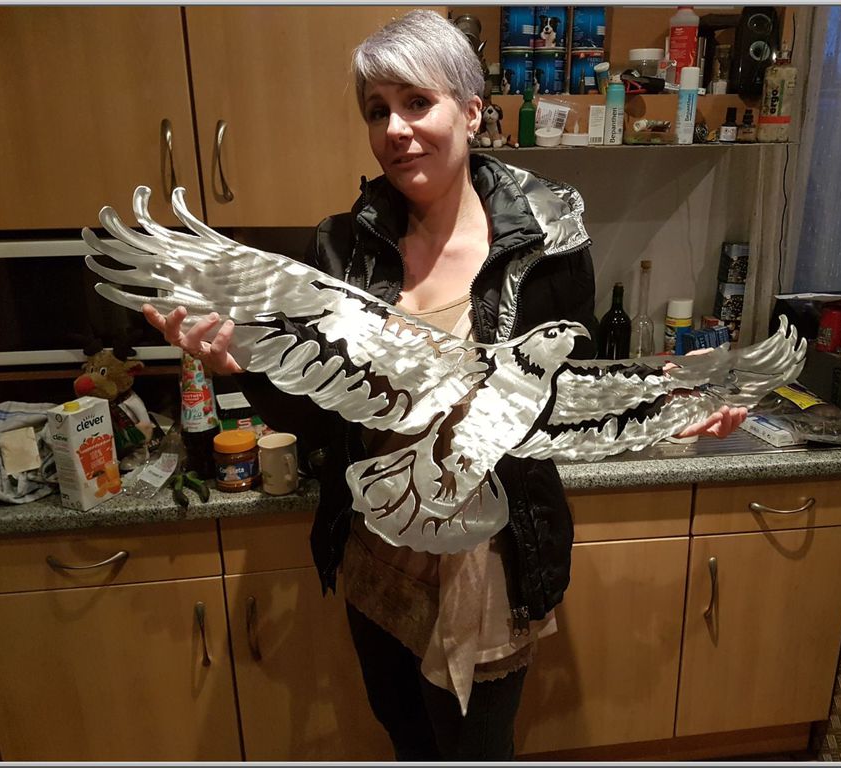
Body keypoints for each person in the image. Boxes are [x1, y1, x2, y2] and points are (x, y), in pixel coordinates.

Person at [143, 10, 745, 761]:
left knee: (474, 749)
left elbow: (557, 392)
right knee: (406, 736)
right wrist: (237, 363)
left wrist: (667, 401)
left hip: (491, 561)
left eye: (417, 102)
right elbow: (320, 414)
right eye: (377, 111)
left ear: (471, 111)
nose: (396, 129)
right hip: (379, 546)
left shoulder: (550, 245)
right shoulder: (342, 247)